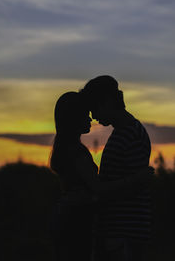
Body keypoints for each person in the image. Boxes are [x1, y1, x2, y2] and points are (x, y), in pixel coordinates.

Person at [49, 91, 153, 261]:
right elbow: (98, 188)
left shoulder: (67, 148)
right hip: (75, 221)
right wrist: (136, 179)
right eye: (85, 114)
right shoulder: (76, 152)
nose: (90, 118)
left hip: (70, 218)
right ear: (74, 117)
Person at [79, 75, 153, 261]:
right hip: (118, 233)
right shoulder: (122, 133)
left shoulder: (132, 134)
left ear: (107, 102)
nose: (93, 116)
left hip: (125, 233)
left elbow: (135, 186)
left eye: (94, 108)